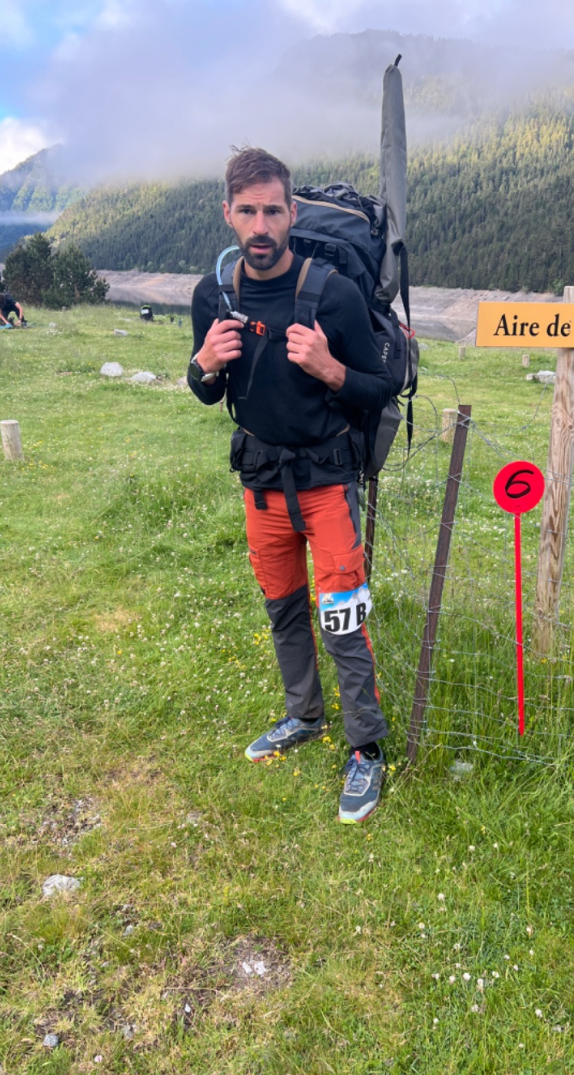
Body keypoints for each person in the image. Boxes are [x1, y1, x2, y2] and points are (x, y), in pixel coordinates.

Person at [187, 148, 394, 824]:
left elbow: (382, 386)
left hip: (327, 485)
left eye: (273, 210)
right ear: (228, 213)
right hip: (261, 486)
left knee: (342, 620)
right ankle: (303, 715)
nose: (261, 225)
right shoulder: (213, 296)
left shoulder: (332, 294)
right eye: (247, 211)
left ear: (292, 213)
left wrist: (332, 370)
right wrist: (201, 367)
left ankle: (366, 748)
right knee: (283, 611)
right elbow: (208, 390)